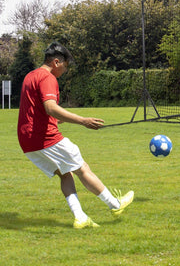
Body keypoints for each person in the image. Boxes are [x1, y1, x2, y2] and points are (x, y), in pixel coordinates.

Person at [17, 42, 134, 229]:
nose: (65, 69)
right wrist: (82, 120)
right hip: (45, 138)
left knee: (65, 174)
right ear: (56, 62)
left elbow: (36, 111)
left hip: (27, 142)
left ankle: (80, 217)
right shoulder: (48, 78)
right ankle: (116, 205)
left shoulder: (30, 76)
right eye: (65, 65)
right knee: (82, 168)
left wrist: (55, 120)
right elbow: (51, 108)